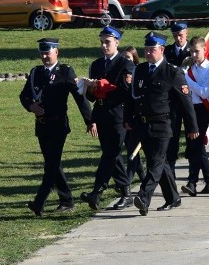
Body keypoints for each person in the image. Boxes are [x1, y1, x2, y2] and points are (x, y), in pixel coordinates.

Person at [126, 32, 199, 215]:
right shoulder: (140, 70)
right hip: (144, 124)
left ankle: (144, 197)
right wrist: (128, 118)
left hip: (163, 125)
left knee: (156, 163)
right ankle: (173, 198)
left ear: (162, 50)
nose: (148, 53)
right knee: (160, 163)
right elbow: (132, 98)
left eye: (152, 49)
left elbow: (186, 101)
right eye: (146, 49)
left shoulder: (173, 72)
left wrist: (192, 127)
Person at [20, 38, 93, 216]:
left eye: (48, 52)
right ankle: (67, 200)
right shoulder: (36, 72)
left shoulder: (65, 72)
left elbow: (79, 98)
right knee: (53, 164)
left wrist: (90, 120)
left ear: (56, 52)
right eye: (42, 53)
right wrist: (31, 106)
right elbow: (24, 96)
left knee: (51, 166)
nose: (45, 56)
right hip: (42, 126)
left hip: (58, 125)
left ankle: (39, 202)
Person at [80, 26, 135, 210]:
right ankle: (126, 192)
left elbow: (125, 91)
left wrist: (101, 86)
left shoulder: (125, 63)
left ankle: (97, 191)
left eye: (108, 42)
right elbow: (91, 97)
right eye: (102, 42)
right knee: (113, 155)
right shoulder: (96, 64)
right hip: (101, 114)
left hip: (118, 114)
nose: (104, 46)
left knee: (110, 154)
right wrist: (91, 88)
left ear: (117, 43)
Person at [181, 36, 209, 196]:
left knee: (196, 146)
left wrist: (186, 79)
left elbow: (204, 92)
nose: (194, 55)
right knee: (193, 147)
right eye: (192, 51)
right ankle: (207, 181)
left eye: (197, 51)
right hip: (189, 109)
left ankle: (193, 181)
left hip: (202, 109)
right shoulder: (191, 67)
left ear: (204, 50)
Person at [164, 22, 191, 174]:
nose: (178, 38)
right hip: (172, 99)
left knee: (191, 134)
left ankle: (193, 170)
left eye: (181, 35)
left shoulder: (192, 50)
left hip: (188, 98)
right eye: (175, 36)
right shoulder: (168, 51)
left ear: (186, 33)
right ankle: (171, 169)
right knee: (172, 135)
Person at [121, 46, 145, 186]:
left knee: (132, 149)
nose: (125, 61)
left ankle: (127, 181)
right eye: (123, 57)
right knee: (131, 147)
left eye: (128, 58)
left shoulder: (139, 74)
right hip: (124, 117)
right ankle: (142, 175)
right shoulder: (121, 73)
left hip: (136, 117)